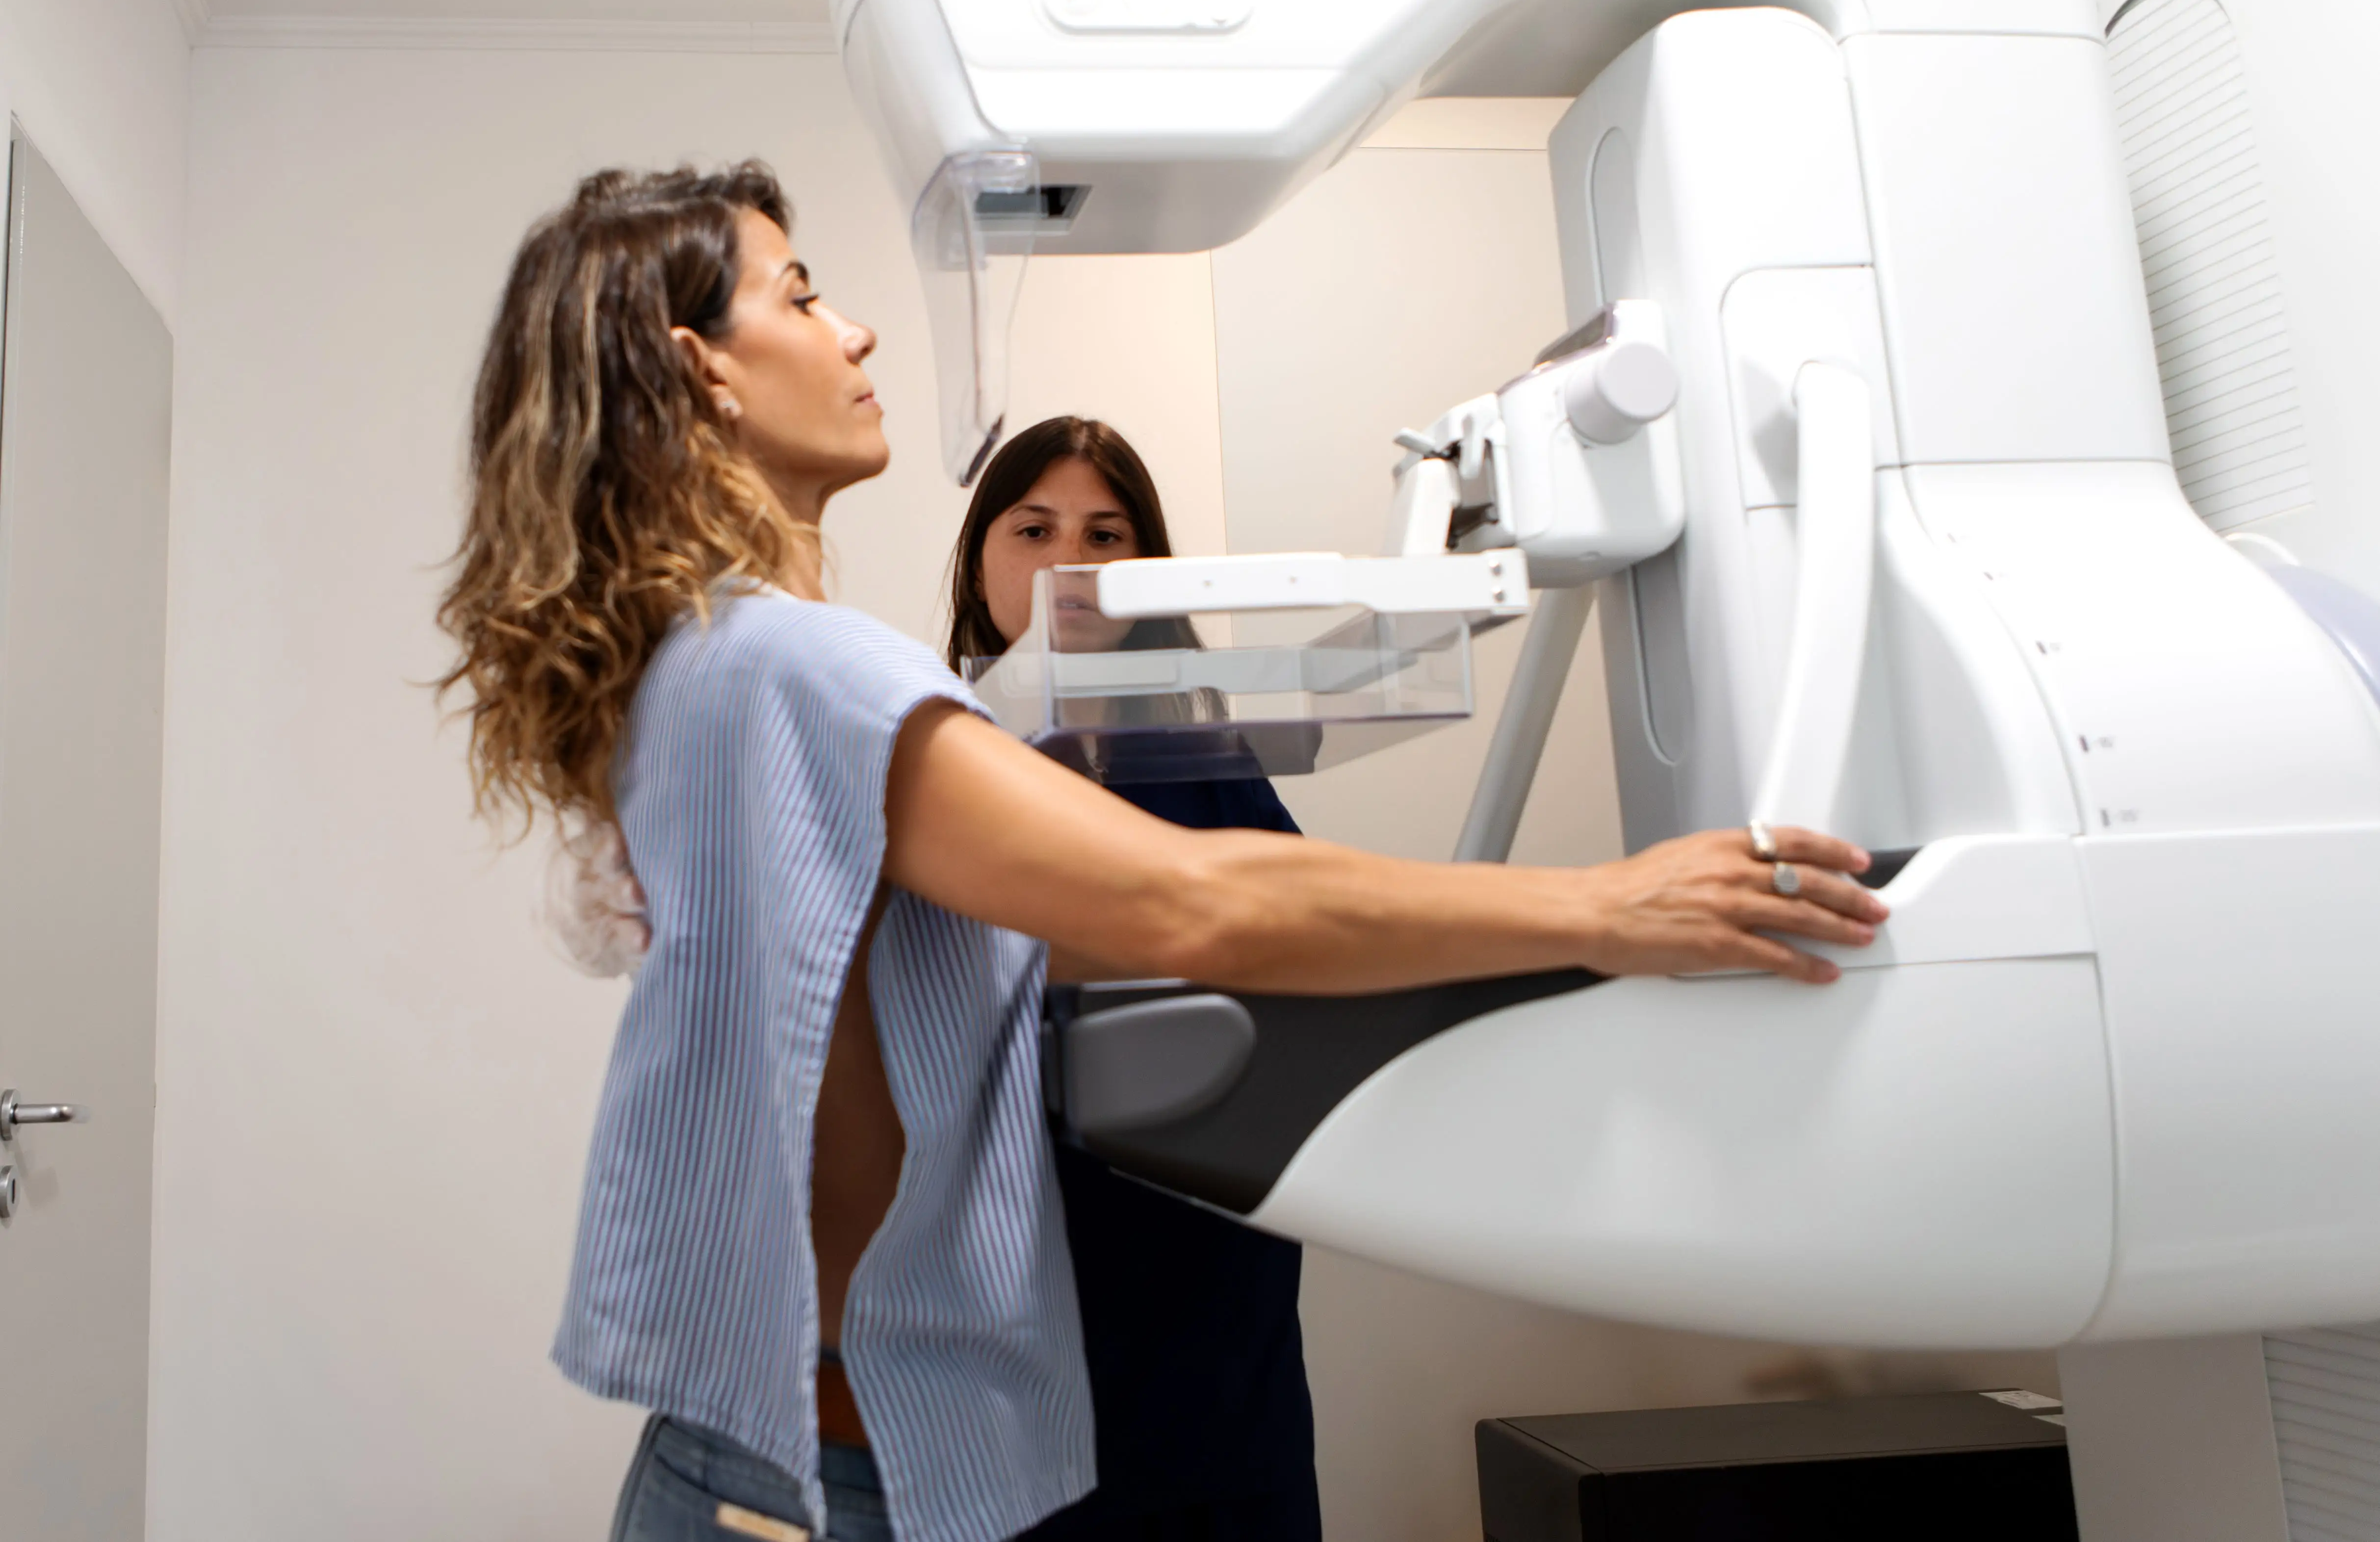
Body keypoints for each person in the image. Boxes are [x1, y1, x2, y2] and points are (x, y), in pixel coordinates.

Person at [436, 161, 1886, 1542]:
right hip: (819, 1484)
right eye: (802, 294)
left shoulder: (703, 668)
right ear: (705, 368)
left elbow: (1074, 935)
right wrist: (1608, 903)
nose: (855, 325)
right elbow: (1184, 900)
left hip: (798, 1456)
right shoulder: (793, 669)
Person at [947, 416, 1320, 1542]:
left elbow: (1292, 936)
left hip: (1199, 1241)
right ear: (978, 558)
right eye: (1035, 528)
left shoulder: (1201, 755)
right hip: (1016, 1240)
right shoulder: (942, 747)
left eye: (1108, 534)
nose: (1072, 563)